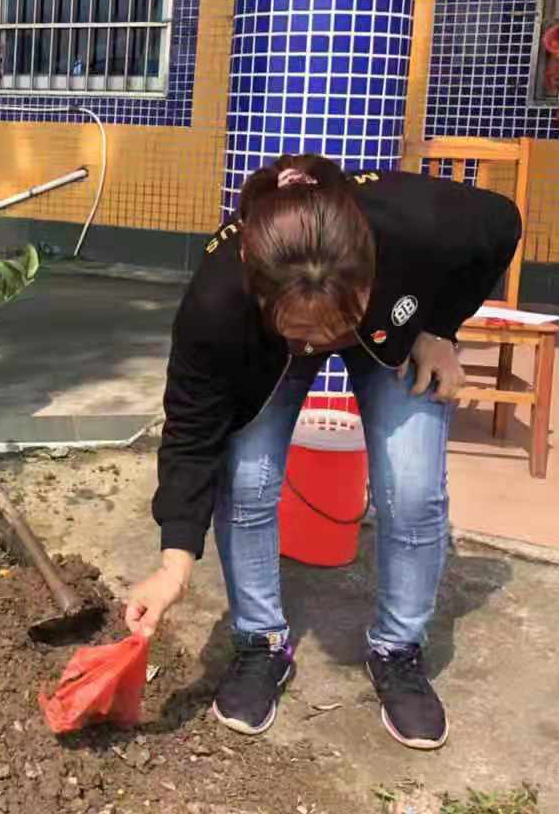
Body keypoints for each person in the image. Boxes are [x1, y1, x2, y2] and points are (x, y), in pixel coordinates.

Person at [124, 154, 522, 751]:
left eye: (335, 328)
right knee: (250, 476)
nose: (323, 348)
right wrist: (174, 563)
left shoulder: (417, 224)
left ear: (369, 276)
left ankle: (398, 648)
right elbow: (191, 430)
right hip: (272, 343)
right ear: (260, 300)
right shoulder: (218, 303)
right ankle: (260, 642)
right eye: (306, 334)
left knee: (413, 488)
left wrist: (440, 329)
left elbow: (502, 223)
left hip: (391, 326)